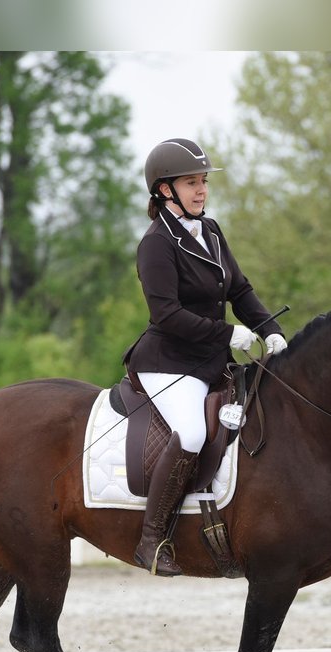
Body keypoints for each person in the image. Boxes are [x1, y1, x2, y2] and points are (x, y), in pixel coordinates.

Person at [123, 138, 287, 576]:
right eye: (191, 183)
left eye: (203, 182)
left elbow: (240, 290)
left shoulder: (210, 231)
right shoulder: (156, 243)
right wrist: (228, 332)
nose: (201, 191)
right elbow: (167, 314)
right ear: (165, 190)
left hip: (212, 360)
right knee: (193, 432)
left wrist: (271, 331)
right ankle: (151, 540)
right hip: (169, 362)